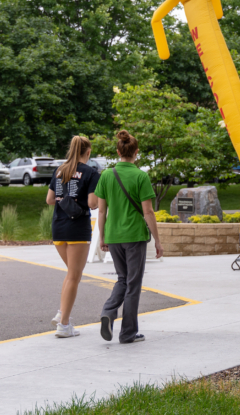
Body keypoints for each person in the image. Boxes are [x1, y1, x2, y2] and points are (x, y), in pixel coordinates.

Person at [95, 129, 164, 344]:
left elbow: (101, 211)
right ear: (137, 153)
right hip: (134, 236)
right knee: (133, 284)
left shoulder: (106, 175)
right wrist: (158, 240)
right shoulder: (140, 176)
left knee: (122, 279)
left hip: (113, 236)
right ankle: (128, 333)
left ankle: (108, 310)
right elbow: (148, 212)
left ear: (118, 152)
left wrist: (102, 236)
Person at [46, 136, 99, 338]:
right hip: (77, 228)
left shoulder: (59, 170)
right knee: (74, 276)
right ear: (88, 152)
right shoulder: (91, 173)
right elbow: (93, 203)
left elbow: (50, 199)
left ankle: (62, 313)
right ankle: (64, 325)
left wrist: (65, 197)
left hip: (58, 227)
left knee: (71, 274)